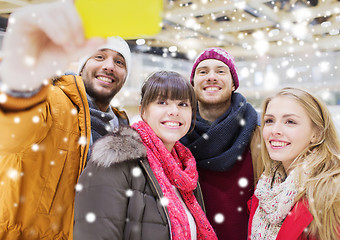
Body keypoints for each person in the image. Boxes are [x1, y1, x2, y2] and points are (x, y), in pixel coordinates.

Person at [0, 1, 130, 239]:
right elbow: (8, 137)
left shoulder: (122, 128)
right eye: (99, 56)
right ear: (81, 67)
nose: (109, 66)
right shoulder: (50, 100)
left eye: (119, 62)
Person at [73, 71, 217, 240]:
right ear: (143, 111)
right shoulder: (114, 161)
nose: (174, 111)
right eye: (162, 102)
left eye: (183, 104)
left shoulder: (185, 173)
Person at [180, 47, 262, 240]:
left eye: (220, 71)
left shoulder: (258, 130)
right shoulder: (176, 132)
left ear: (234, 84)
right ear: (193, 84)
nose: (211, 77)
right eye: (203, 71)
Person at [248, 87, 340, 240]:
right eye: (269, 121)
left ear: (317, 133)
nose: (275, 130)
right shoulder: (266, 188)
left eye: (290, 121)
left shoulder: (336, 191)